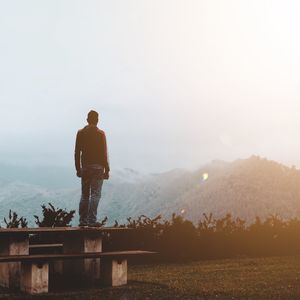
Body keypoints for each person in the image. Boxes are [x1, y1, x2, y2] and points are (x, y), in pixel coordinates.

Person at [74, 110, 110, 227]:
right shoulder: (101, 134)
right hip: (98, 168)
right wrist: (107, 170)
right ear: (97, 120)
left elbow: (77, 152)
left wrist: (78, 168)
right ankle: (91, 221)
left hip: (85, 168)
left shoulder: (80, 133)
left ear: (87, 120)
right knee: (95, 194)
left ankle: (82, 221)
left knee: (84, 195)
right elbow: (104, 153)